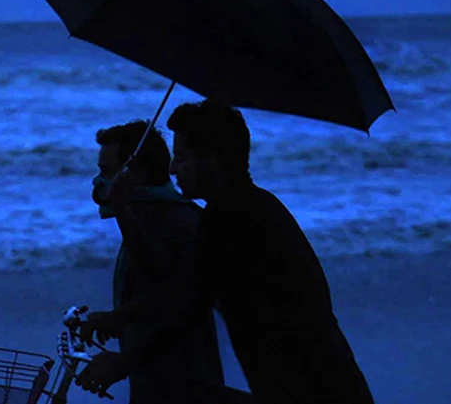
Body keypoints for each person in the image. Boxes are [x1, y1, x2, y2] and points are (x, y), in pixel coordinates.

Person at [77, 101, 375, 404]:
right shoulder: (248, 206)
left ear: (211, 160)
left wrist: (124, 360)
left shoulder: (232, 217)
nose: (173, 168)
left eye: (182, 157)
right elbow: (188, 288)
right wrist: (120, 320)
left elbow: (189, 301)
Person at [81, 120, 224, 403]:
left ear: (134, 173)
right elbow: (153, 290)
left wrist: (121, 208)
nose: (98, 182)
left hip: (183, 386)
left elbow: (179, 295)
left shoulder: (181, 220)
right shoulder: (144, 216)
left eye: (106, 172)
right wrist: (118, 318)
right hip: (150, 381)